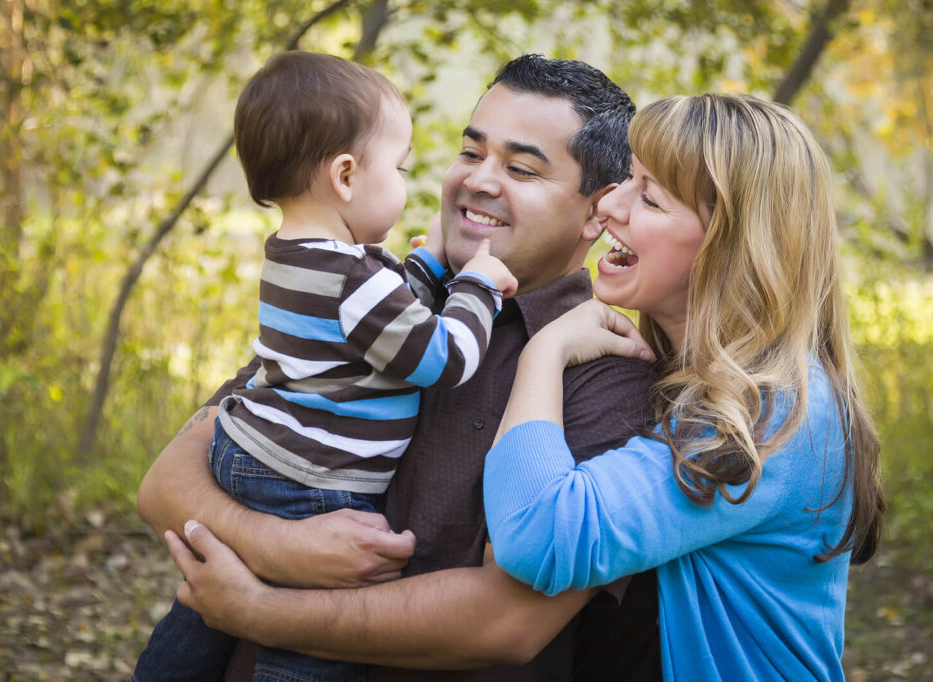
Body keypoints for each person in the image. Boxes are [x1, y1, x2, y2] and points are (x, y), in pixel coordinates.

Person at [139, 54, 663, 681]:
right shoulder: (377, 294)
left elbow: (506, 623)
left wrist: (259, 609)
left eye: (521, 167)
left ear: (596, 212)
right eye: (471, 154)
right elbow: (168, 480)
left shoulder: (610, 373)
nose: (479, 181)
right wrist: (284, 547)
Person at [482, 94, 885, 681]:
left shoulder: (771, 414)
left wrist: (541, 354)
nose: (610, 203)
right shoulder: (711, 387)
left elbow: (536, 537)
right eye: (626, 179)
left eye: (648, 196)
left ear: (728, 245)